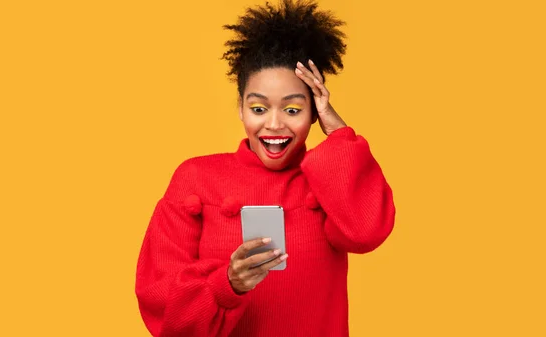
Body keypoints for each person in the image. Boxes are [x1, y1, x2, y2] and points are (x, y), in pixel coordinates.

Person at [135, 0, 396, 336]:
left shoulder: (327, 178)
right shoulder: (195, 178)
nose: (274, 125)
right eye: (258, 108)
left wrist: (338, 132)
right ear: (241, 109)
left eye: (292, 110)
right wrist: (227, 285)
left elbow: (365, 232)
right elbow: (159, 301)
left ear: (314, 113)